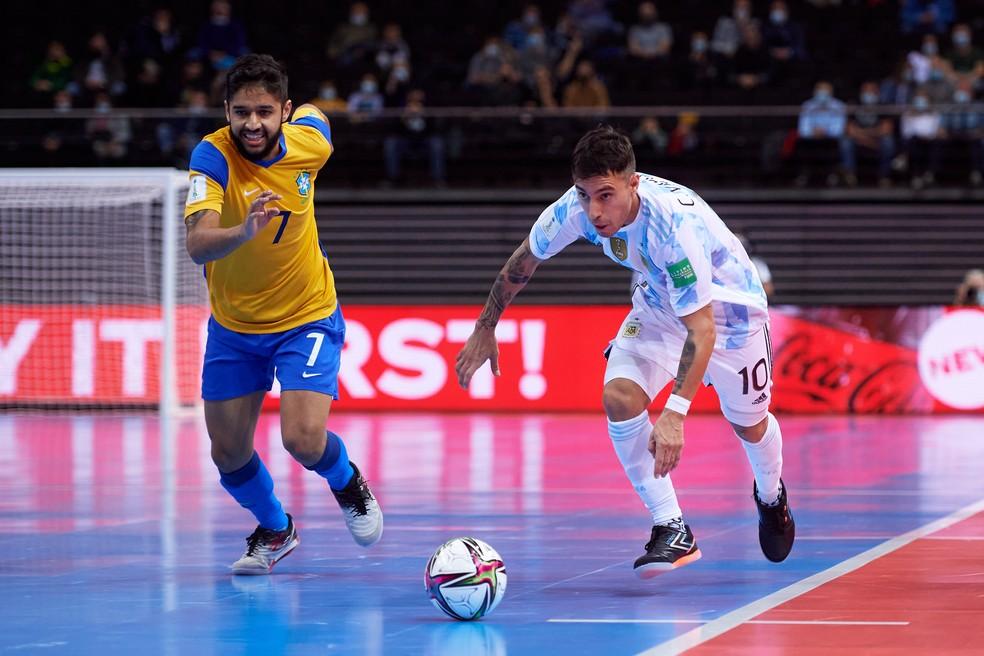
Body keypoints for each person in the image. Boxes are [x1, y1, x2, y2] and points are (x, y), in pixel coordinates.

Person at [455, 126, 794, 577]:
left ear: (633, 184)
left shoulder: (674, 227)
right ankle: (672, 527)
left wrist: (674, 413)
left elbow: (704, 328)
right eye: (584, 195)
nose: (594, 211)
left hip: (732, 317)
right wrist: (486, 325)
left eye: (605, 196)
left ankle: (771, 497)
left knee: (748, 426)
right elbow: (525, 259)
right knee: (619, 396)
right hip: (659, 304)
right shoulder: (576, 209)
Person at [183, 54, 383, 575]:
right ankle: (276, 528)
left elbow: (320, 120)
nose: (253, 123)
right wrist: (242, 232)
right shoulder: (212, 157)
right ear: (226, 110)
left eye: (265, 112)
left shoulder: (308, 143)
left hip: (306, 314)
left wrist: (313, 112)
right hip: (234, 328)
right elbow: (198, 244)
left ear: (284, 112)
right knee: (227, 454)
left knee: (302, 439)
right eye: (242, 112)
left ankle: (347, 483)